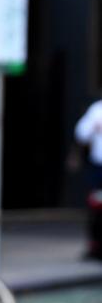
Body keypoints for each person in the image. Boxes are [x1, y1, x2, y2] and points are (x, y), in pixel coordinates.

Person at [74, 100, 102, 260]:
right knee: (96, 209)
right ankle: (96, 246)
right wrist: (94, 126)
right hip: (99, 168)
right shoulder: (97, 109)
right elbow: (81, 133)